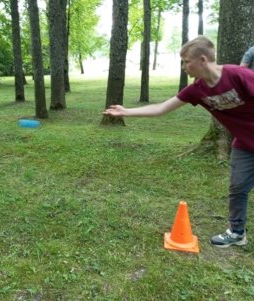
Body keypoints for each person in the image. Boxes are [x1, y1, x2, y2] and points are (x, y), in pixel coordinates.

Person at [103, 35, 254, 248]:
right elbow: (161, 108)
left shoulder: (238, 75)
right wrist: (126, 111)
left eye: (186, 61)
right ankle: (237, 233)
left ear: (202, 60)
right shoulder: (196, 90)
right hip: (245, 145)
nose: (184, 67)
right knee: (237, 187)